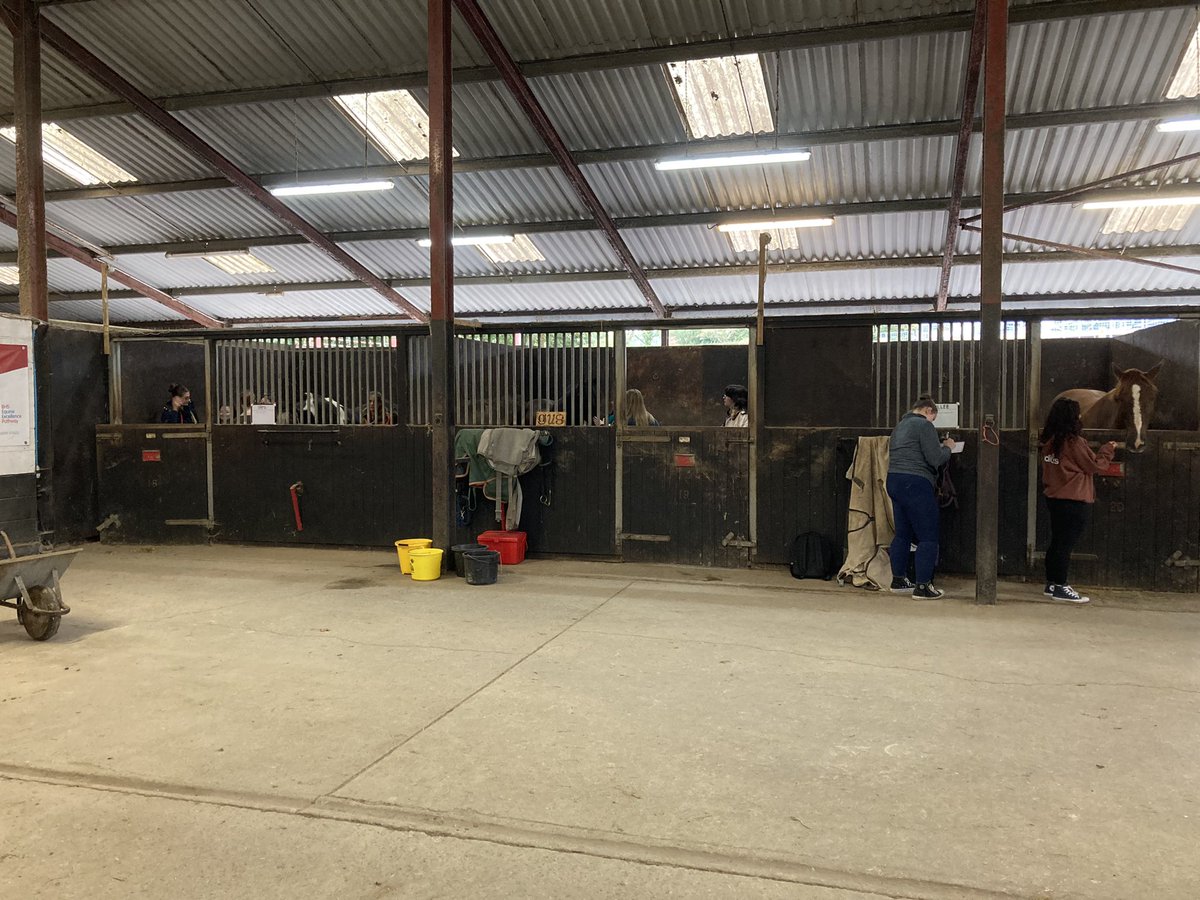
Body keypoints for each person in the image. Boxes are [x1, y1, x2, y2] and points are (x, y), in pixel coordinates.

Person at [1039, 398, 1116, 604]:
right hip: (1074, 500)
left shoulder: (1049, 441)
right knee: (1066, 544)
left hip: (1054, 498)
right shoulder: (1074, 442)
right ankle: (1061, 586)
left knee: (1057, 542)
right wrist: (1107, 450)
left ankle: (1052, 583)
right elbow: (1095, 466)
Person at [886, 395, 956, 599]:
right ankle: (923, 586)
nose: (932, 422)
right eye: (933, 418)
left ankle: (898, 579)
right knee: (928, 535)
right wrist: (948, 448)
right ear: (928, 411)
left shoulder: (899, 426)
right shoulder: (924, 426)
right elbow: (935, 459)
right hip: (916, 483)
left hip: (894, 481)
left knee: (902, 534)